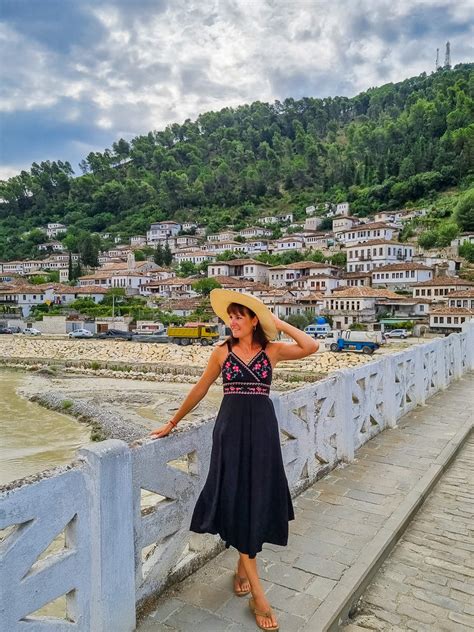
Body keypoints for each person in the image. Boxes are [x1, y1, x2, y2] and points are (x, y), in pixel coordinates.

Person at [150, 289, 319, 630]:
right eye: (231, 316)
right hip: (230, 433)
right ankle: (260, 596)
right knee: (235, 497)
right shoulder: (221, 353)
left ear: (255, 320)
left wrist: (277, 321)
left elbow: (310, 346)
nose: (234, 321)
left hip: (262, 434)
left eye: (240, 316)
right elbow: (200, 389)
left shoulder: (271, 351)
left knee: (257, 496)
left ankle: (243, 568)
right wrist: (173, 421)